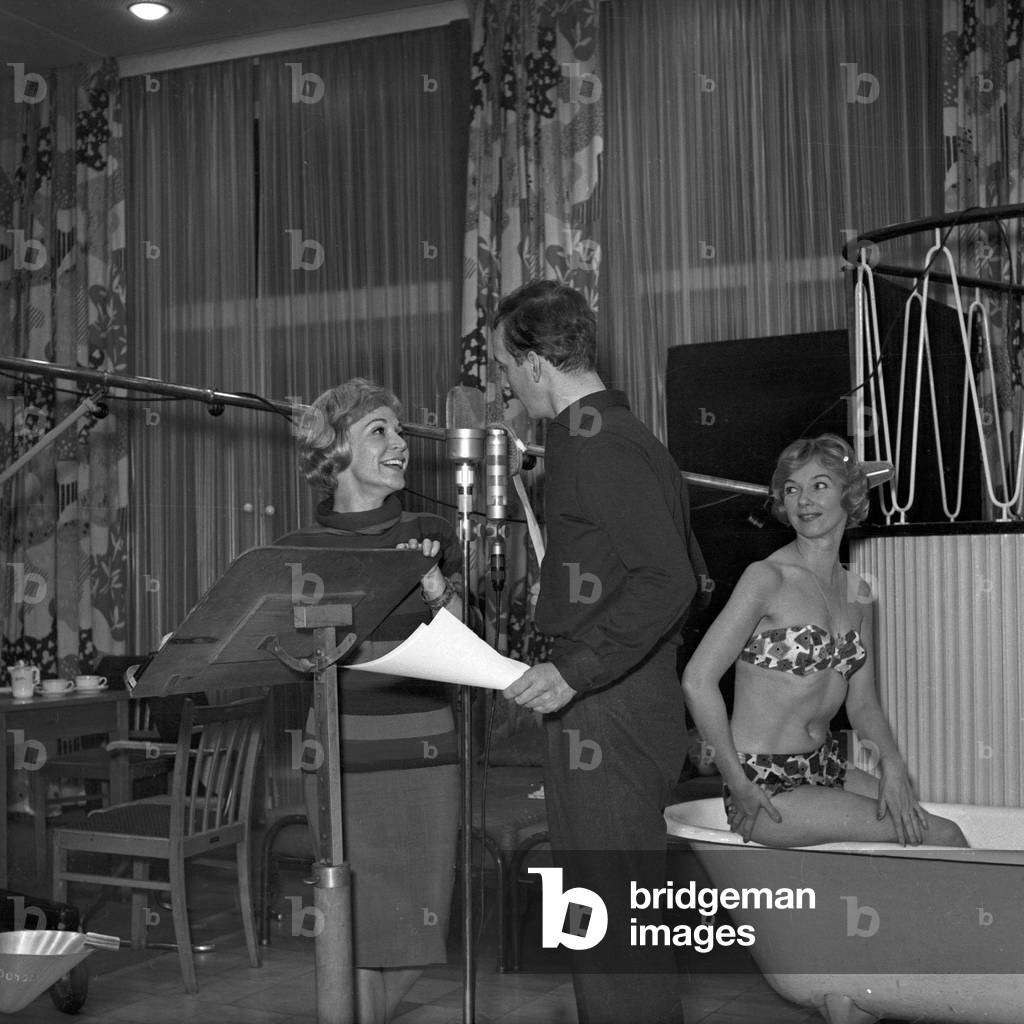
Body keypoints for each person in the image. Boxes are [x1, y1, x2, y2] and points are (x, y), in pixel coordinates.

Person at [495, 280, 705, 1024]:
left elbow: (669, 580)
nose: (509, 389)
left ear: (534, 364)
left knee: (611, 925)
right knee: (605, 919)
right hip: (618, 697)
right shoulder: (612, 436)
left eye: (506, 369)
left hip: (605, 706)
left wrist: (571, 669)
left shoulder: (599, 445)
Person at [274, 379, 460, 1024]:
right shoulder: (299, 550)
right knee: (349, 918)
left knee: (417, 922)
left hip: (424, 749)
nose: (400, 443)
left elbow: (473, 650)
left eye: (400, 431)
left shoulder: (431, 531)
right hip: (338, 752)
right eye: (379, 429)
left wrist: (436, 587)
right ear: (335, 450)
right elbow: (286, 653)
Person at [682, 434, 968, 848]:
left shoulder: (858, 593)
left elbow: (862, 702)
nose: (803, 501)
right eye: (792, 489)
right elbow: (697, 680)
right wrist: (737, 782)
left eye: (819, 485)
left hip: (827, 768)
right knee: (944, 836)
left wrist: (892, 765)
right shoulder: (767, 578)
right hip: (765, 784)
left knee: (931, 826)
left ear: (849, 495)